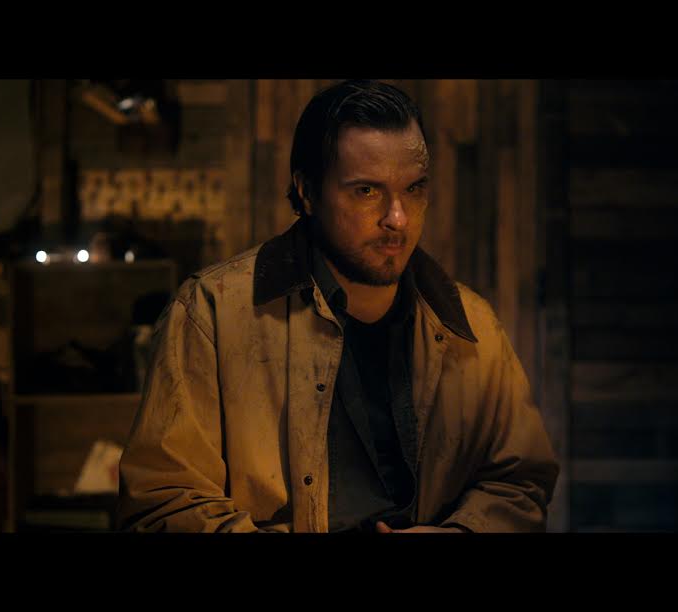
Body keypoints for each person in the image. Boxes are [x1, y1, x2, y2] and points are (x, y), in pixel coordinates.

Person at [116, 79, 558, 533]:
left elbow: (520, 481)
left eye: (414, 188)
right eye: (367, 191)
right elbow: (163, 504)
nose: (397, 218)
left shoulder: (473, 325)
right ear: (307, 192)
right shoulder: (213, 313)